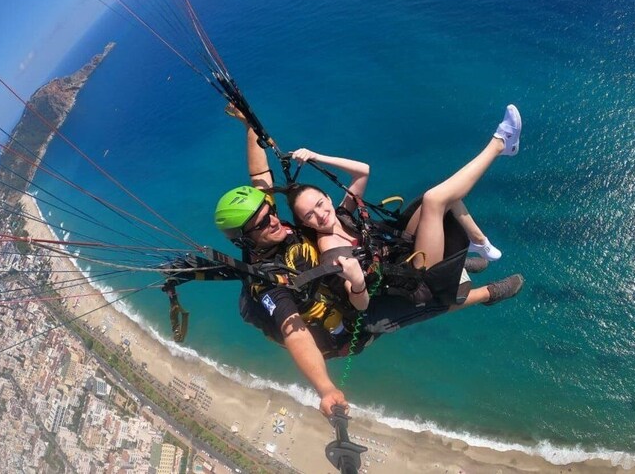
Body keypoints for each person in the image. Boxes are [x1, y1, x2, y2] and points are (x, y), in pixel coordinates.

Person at [213, 105, 524, 417]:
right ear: (246, 238)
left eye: (271, 213)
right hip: (355, 317)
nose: (274, 221)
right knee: (434, 280)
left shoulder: (285, 225)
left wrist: (250, 128)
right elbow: (295, 333)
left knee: (433, 201)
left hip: (377, 268)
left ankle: (467, 255)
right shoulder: (268, 284)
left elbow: (260, 179)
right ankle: (488, 292)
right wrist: (326, 388)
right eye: (264, 224)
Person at [288, 105, 524, 308]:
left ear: (328, 198)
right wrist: (358, 283)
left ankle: (477, 240)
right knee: (435, 199)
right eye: (310, 215)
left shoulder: (341, 215)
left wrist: (317, 157)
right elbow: (360, 305)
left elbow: (362, 171)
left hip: (404, 249)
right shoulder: (332, 255)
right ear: (304, 222)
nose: (320, 215)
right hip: (416, 279)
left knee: (440, 194)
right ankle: (500, 143)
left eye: (320, 204)